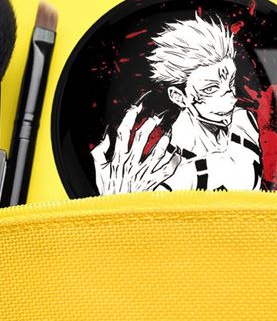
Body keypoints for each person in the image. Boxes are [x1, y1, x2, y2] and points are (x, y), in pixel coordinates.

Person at [92, 15, 262, 194]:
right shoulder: (159, 163)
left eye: (231, 82)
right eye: (210, 89)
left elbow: (241, 175)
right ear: (179, 97)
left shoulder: (241, 119)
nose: (231, 98)